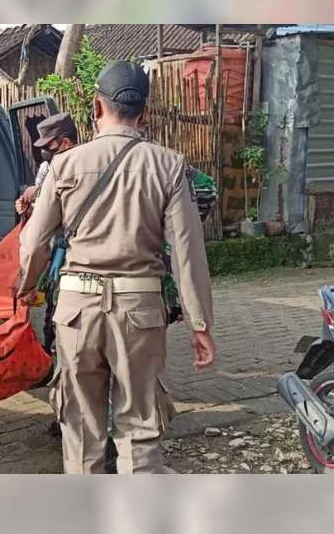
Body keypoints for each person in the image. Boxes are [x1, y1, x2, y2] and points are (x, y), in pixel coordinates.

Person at [17, 60, 216, 474]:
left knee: (81, 428)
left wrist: (25, 285)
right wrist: (199, 323)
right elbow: (187, 252)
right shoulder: (169, 165)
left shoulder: (63, 165)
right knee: (140, 428)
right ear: (144, 112)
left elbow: (34, 242)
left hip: (75, 310)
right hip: (139, 310)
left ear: (96, 107)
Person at [15, 112, 79, 217]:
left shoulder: (84, 165)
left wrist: (40, 192)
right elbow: (47, 213)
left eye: (49, 146)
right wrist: (28, 209)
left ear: (66, 143)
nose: (45, 152)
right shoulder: (46, 167)